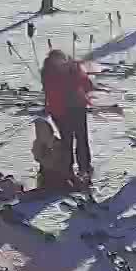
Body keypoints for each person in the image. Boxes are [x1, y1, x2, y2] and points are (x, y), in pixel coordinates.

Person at [41, 48, 94, 180]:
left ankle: (84, 168)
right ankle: (67, 169)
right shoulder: (49, 73)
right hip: (62, 111)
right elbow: (56, 90)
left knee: (81, 139)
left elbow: (87, 84)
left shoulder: (73, 68)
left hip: (77, 107)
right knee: (67, 141)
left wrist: (76, 71)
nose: (61, 64)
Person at [33, 117, 72, 192]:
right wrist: (38, 145)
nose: (40, 134)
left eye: (42, 131)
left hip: (60, 180)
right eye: (38, 131)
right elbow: (37, 158)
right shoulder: (39, 144)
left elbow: (50, 163)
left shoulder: (58, 144)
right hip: (45, 179)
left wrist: (50, 147)